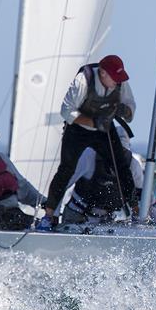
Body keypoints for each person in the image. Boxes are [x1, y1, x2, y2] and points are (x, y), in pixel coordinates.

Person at [40, 55, 137, 227]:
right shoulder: (83, 81)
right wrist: (92, 122)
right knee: (66, 170)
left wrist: (123, 110)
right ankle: (49, 216)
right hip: (78, 129)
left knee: (121, 166)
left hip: (104, 129)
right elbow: (66, 111)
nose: (117, 82)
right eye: (114, 78)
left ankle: (134, 212)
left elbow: (130, 110)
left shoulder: (120, 83)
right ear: (103, 73)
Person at [59, 124, 143, 228]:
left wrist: (146, 222)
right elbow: (62, 184)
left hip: (106, 219)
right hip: (76, 214)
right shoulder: (89, 155)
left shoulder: (133, 165)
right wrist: (52, 215)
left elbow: (145, 197)